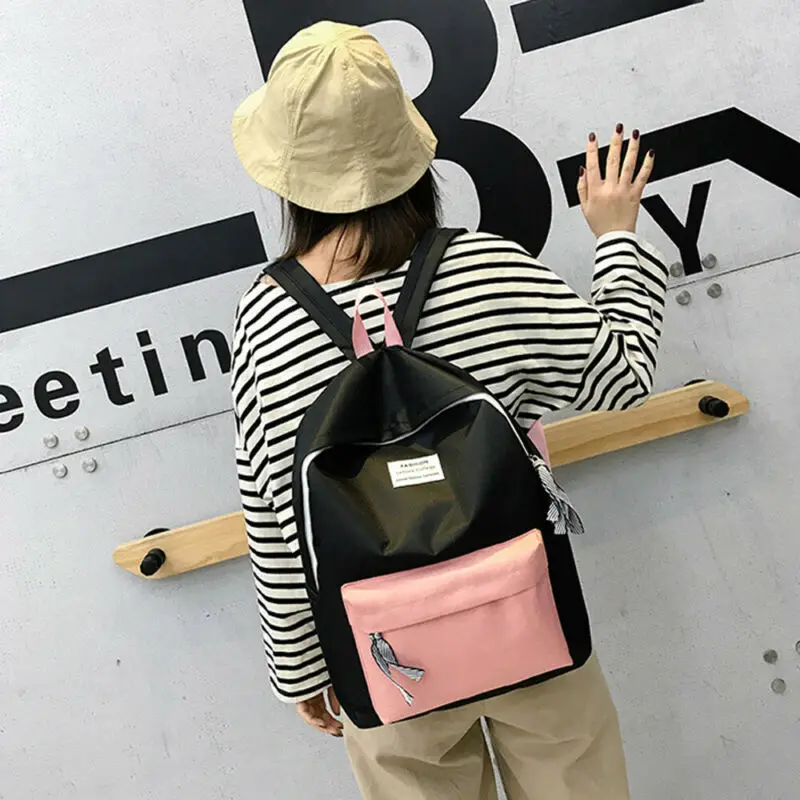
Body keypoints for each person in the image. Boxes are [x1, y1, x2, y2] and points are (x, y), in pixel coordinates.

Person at [230, 20, 666, 800]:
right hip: (526, 620)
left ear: (291, 175)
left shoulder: (265, 318)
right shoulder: (484, 266)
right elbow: (621, 374)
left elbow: (273, 510)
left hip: (388, 653)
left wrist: (300, 668)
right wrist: (616, 237)